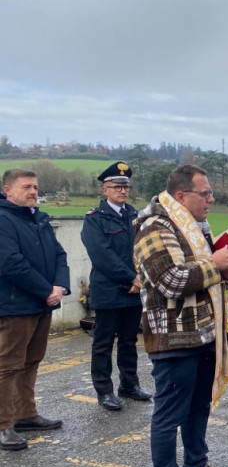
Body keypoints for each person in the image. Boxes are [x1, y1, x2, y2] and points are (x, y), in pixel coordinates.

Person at [133, 165, 228, 467]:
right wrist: (214, 264)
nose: (211, 199)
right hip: (173, 337)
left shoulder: (196, 226)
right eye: (205, 193)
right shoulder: (153, 225)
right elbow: (168, 280)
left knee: (199, 407)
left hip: (206, 333)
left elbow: (215, 274)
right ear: (182, 196)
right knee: (168, 415)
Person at [0, 169, 69, 451]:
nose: (33, 191)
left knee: (32, 360)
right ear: (8, 190)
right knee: (8, 365)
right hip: (16, 305)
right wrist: (46, 290)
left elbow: (59, 255)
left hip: (42, 304)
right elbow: (11, 263)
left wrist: (60, 286)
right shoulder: (4, 219)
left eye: (35, 186)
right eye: (26, 187)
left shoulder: (38, 218)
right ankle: (4, 425)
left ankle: (25, 414)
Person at [81, 162, 151, 411]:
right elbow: (102, 255)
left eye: (126, 186)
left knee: (129, 341)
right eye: (117, 187)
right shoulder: (94, 219)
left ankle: (129, 385)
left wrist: (139, 279)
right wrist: (130, 278)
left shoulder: (135, 216)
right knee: (103, 342)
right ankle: (104, 391)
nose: (123, 191)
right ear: (105, 190)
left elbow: (144, 250)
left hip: (134, 289)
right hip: (109, 290)